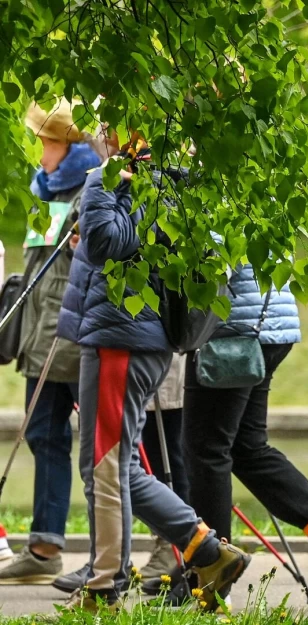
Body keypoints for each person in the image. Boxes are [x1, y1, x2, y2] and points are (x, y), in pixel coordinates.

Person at [55, 134, 252, 613]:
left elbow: (106, 243)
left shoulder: (141, 180)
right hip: (123, 336)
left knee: (105, 465)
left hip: (122, 338)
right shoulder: (152, 179)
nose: (97, 136)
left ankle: (105, 584)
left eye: (106, 128)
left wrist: (100, 183)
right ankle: (206, 548)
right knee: (112, 465)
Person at [182, 257, 308, 604]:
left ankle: (211, 574)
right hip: (268, 323)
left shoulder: (217, 200)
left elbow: (209, 262)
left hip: (233, 330)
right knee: (246, 447)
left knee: (206, 450)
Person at [0, 100, 99, 586]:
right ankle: (43, 550)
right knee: (43, 437)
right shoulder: (46, 192)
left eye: (46, 143)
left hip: (76, 340)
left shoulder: (91, 189)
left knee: (100, 452)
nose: (41, 155)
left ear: (70, 145)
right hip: (40, 343)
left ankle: (107, 557)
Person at [138, 354, 189, 586]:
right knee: (154, 458)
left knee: (166, 457)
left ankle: (177, 545)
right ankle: (174, 543)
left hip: (168, 364)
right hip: (149, 364)